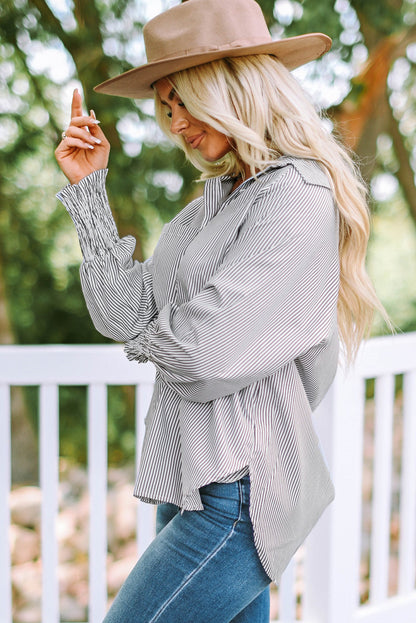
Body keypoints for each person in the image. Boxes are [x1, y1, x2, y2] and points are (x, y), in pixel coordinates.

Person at [54, 0, 388, 621]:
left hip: (239, 495)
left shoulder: (297, 194)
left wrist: (151, 331)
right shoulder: (210, 207)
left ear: (232, 86)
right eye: (165, 105)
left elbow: (208, 357)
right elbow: (116, 312)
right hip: (189, 484)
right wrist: (88, 194)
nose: (175, 123)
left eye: (184, 100)